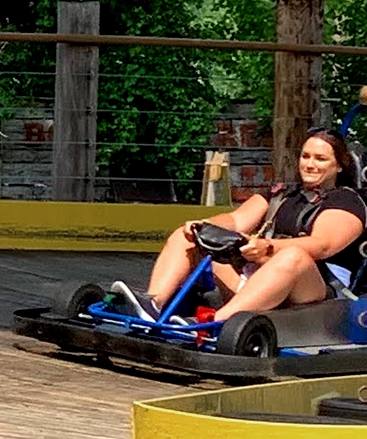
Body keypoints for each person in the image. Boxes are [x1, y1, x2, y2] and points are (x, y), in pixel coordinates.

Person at [128, 129, 366, 324]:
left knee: (294, 256)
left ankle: (212, 323)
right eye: (306, 156)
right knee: (190, 236)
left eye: (321, 159)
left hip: (315, 291)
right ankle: (153, 304)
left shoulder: (346, 200)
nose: (310, 164)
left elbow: (322, 246)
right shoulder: (282, 194)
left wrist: (267, 247)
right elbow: (235, 220)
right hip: (258, 277)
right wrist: (206, 226)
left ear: (339, 166)